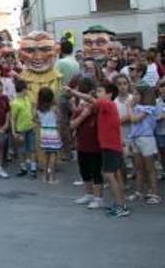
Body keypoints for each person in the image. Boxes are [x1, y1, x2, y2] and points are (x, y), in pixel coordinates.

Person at [64, 81, 129, 217]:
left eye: (100, 92)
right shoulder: (105, 107)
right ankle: (120, 204)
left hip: (111, 147)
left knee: (111, 176)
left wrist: (73, 91)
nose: (97, 94)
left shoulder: (108, 104)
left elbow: (89, 99)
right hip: (109, 146)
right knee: (113, 176)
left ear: (109, 94)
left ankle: (121, 206)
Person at [69, 76, 104, 209]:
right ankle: (89, 194)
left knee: (96, 171)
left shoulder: (97, 106)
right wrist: (84, 115)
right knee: (84, 171)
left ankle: (98, 197)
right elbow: (72, 125)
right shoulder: (80, 108)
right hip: (82, 144)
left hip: (95, 145)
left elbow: (94, 103)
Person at [125, 87, 162, 204]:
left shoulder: (148, 108)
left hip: (147, 139)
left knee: (150, 168)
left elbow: (134, 119)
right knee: (139, 167)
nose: (133, 97)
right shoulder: (136, 107)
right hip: (136, 139)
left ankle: (155, 193)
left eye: (136, 94)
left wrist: (129, 107)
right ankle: (138, 192)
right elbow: (133, 125)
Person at [10, 79, 37, 178]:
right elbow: (13, 118)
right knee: (22, 150)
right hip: (20, 129)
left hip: (30, 127)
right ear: (23, 90)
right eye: (26, 89)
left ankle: (33, 169)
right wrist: (14, 132)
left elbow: (32, 108)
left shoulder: (27, 99)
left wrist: (34, 121)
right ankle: (23, 167)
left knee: (32, 149)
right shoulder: (15, 103)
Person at [37, 87, 62, 184]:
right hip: (53, 132)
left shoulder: (38, 109)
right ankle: (51, 177)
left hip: (44, 132)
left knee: (46, 154)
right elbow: (59, 119)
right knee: (53, 154)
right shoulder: (54, 108)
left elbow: (35, 119)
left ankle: (45, 176)